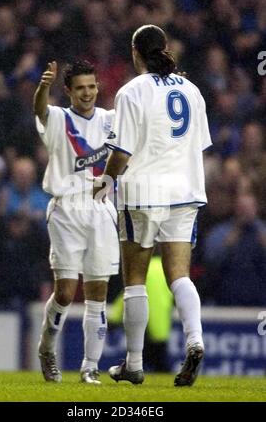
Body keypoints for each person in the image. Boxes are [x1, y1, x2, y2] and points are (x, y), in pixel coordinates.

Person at [94, 25, 212, 387]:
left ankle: (133, 363)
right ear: (165, 49)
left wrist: (107, 180)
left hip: (143, 192)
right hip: (186, 191)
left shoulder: (132, 92)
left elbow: (123, 150)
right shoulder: (192, 90)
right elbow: (200, 144)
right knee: (179, 275)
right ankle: (195, 340)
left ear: (135, 53)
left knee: (134, 280)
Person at [33, 60, 119, 384]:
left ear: (98, 87)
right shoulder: (59, 118)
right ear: (68, 90)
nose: (87, 93)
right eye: (80, 87)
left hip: (100, 205)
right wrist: (42, 87)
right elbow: (41, 110)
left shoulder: (111, 119)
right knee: (67, 293)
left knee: (98, 291)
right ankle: (47, 348)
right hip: (66, 207)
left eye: (92, 86)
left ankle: (89, 367)